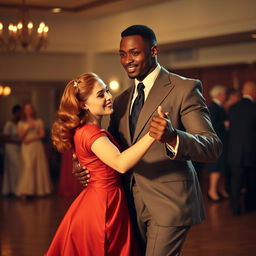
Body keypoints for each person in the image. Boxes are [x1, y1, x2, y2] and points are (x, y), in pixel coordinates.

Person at [73, 25, 222, 256]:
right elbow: (112, 149)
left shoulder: (184, 88)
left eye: (135, 53)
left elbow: (212, 147)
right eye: (122, 54)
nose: (127, 60)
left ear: (153, 51)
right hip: (126, 205)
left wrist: (173, 137)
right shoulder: (121, 100)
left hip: (169, 203)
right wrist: (85, 165)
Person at [45, 72, 159, 256]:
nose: (108, 97)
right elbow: (121, 164)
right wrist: (154, 133)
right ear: (83, 104)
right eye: (100, 95)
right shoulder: (91, 133)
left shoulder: (87, 130)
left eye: (107, 91)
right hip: (103, 204)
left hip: (101, 199)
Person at [228, 80, 256, 215]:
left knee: (236, 182)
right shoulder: (254, 107)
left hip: (235, 151)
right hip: (252, 151)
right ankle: (250, 206)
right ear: (253, 92)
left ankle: (235, 208)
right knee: (251, 182)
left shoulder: (232, 108)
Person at [15, 103, 52, 199]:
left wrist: (31, 139)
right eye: (26, 109)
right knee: (28, 166)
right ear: (24, 111)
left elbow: (42, 135)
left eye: (30, 108)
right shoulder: (21, 123)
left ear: (32, 110)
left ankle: (37, 191)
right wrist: (28, 128)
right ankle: (24, 191)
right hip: (26, 147)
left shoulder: (38, 121)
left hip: (36, 145)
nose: (28, 110)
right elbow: (20, 137)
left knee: (38, 167)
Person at [207, 85, 229, 202]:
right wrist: (224, 124)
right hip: (217, 142)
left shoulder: (217, 106)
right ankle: (212, 191)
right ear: (219, 95)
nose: (226, 96)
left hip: (221, 141)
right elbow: (212, 125)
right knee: (216, 167)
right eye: (224, 94)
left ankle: (220, 190)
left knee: (221, 167)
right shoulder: (214, 107)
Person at [1, 104, 22, 195]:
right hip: (11, 148)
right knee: (15, 167)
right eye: (19, 112)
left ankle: (16, 189)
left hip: (18, 148)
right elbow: (4, 138)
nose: (20, 114)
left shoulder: (20, 123)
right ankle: (14, 189)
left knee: (17, 168)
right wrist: (16, 141)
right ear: (14, 113)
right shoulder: (9, 124)